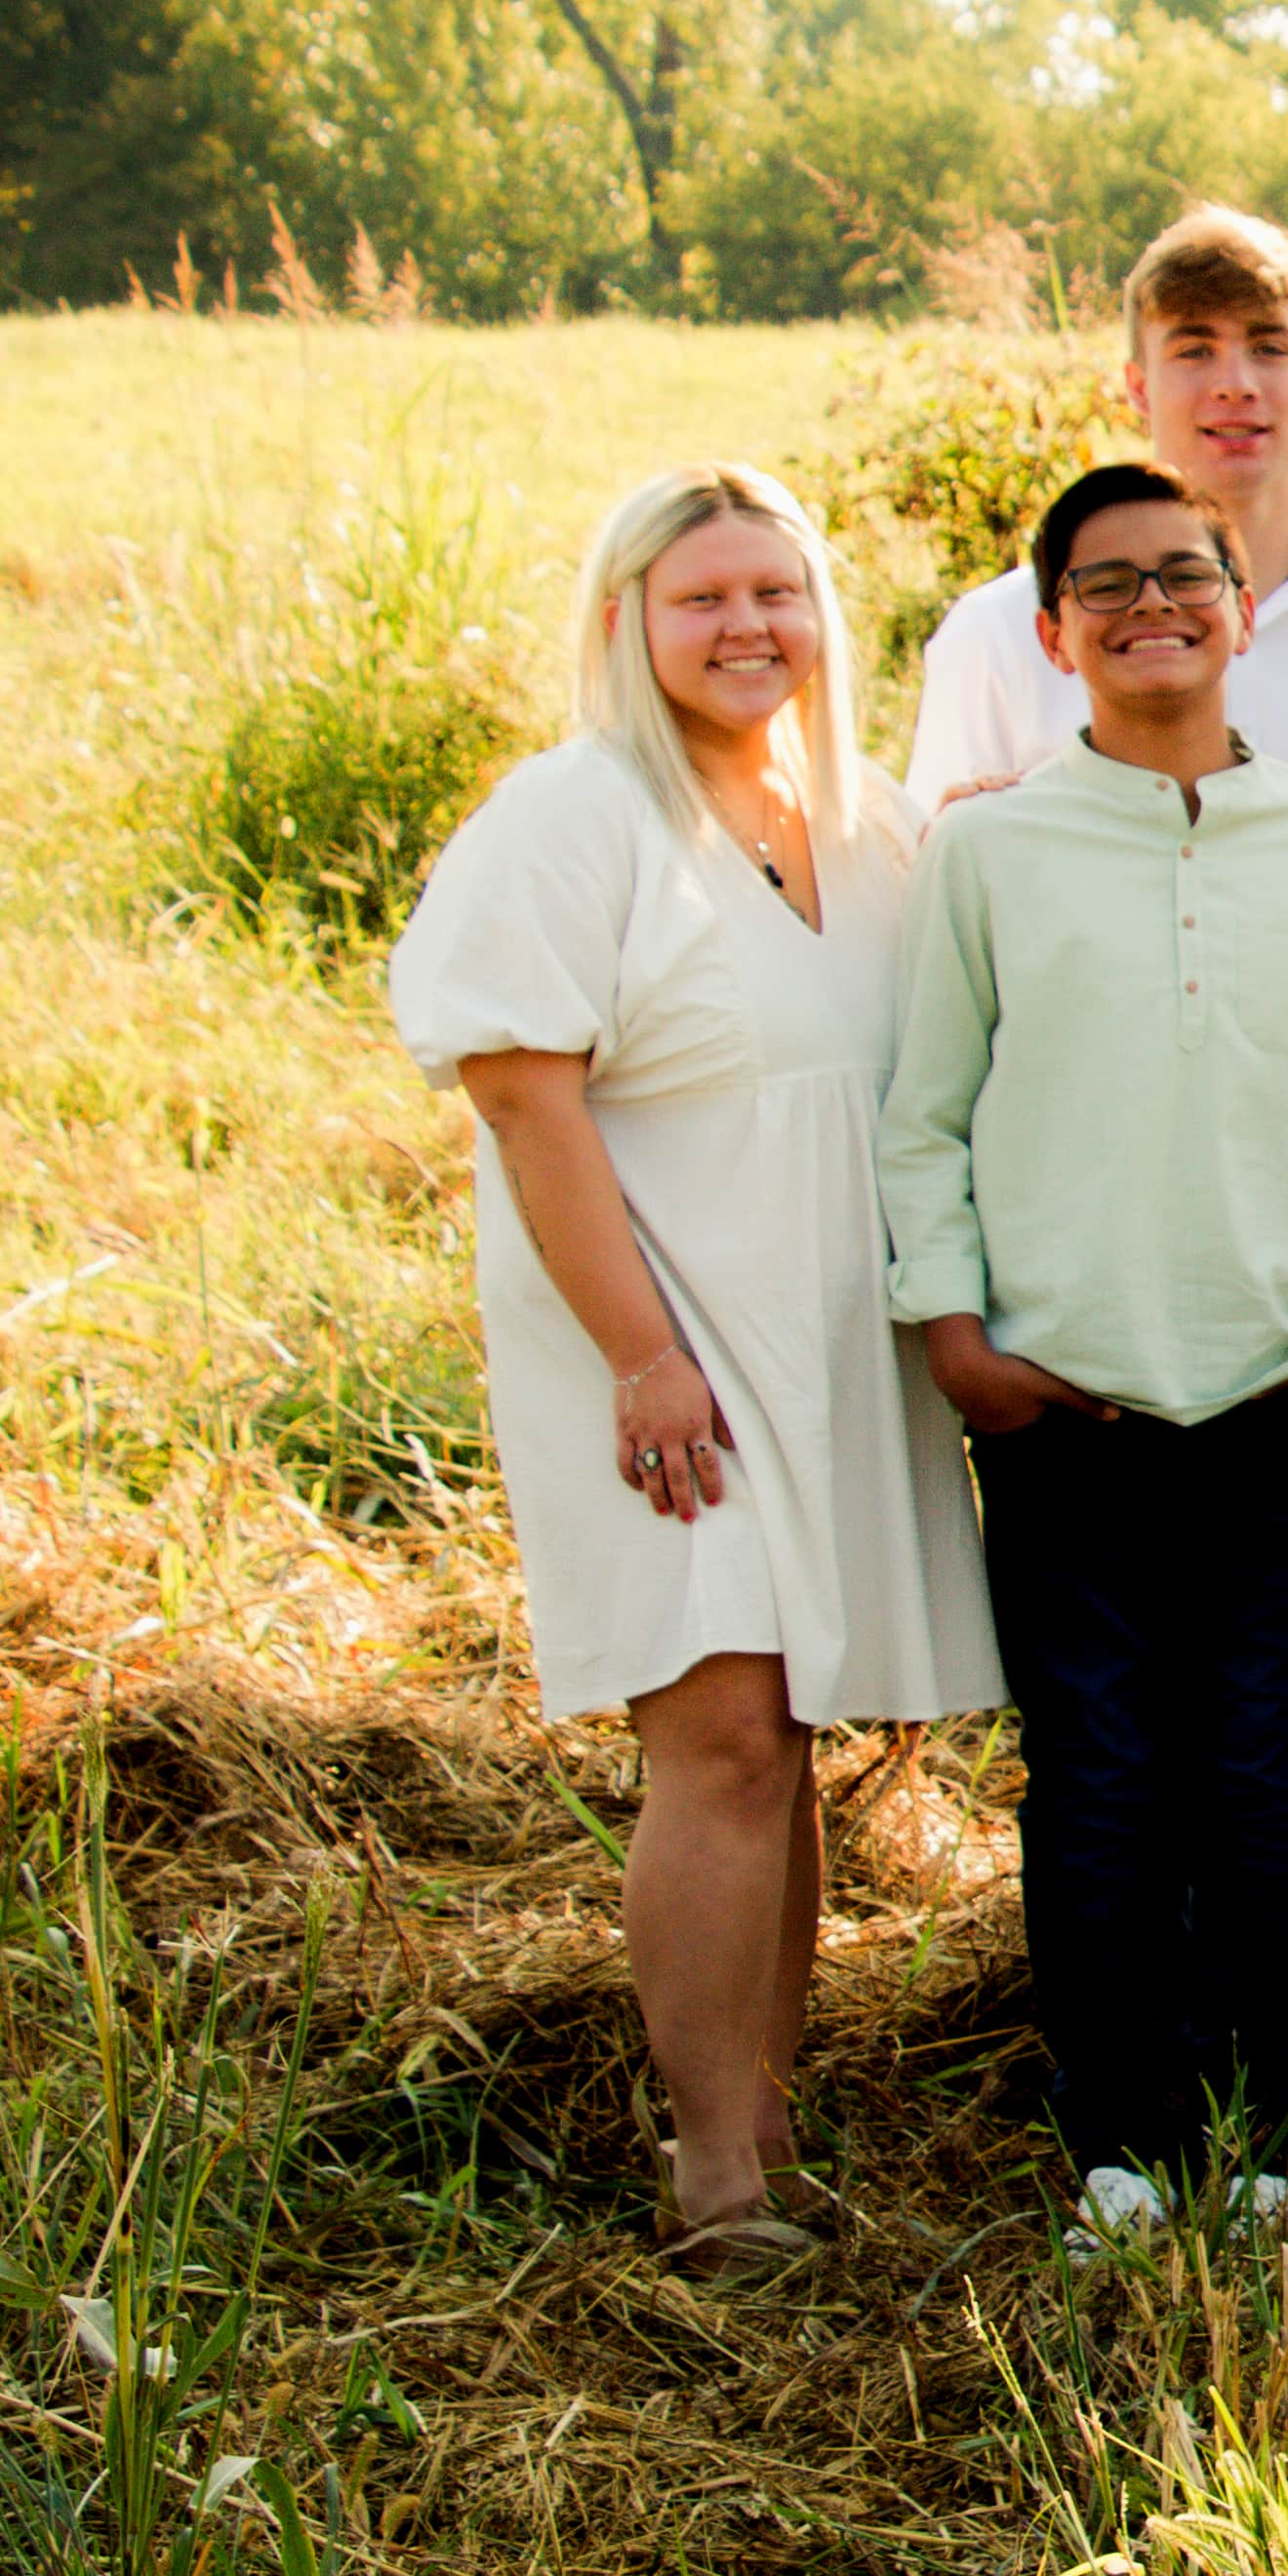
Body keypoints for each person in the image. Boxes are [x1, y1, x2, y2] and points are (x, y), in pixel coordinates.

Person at [392, 467, 1000, 2269]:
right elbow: (522, 1095)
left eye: (780, 595)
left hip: (824, 1337)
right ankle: (715, 2178)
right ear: (623, 623)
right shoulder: (572, 817)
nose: (748, 628)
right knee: (718, 1730)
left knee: (781, 1732)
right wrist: (644, 1354)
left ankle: (770, 2115)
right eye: (703, 597)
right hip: (658, 1348)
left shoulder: (864, 821)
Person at [877, 462, 1288, 2241]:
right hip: (1068, 1392)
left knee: (1279, 1754)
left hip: (1273, 1382)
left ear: (1242, 607)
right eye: (1103, 587)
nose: (1149, 607)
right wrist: (957, 1333)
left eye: (1183, 574)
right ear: (1052, 635)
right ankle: (1117, 2122)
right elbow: (925, 1117)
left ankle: (1278, 2111)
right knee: (1102, 1763)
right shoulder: (991, 849)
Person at [903, 204, 1288, 802]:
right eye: (1194, 352)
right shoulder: (998, 636)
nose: (1236, 384)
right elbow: (938, 866)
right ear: (1137, 387)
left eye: (1269, 348)